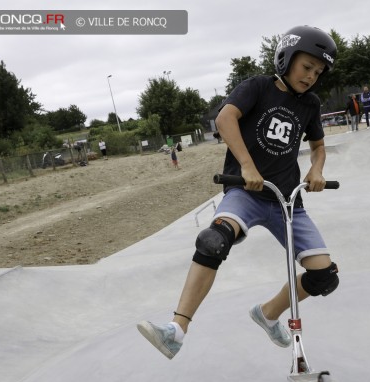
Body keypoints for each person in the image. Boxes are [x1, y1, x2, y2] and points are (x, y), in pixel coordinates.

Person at [137, 25, 340, 359]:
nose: (311, 77)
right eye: (307, 67)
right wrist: (246, 165)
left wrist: (316, 170)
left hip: (286, 200)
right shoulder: (257, 87)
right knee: (213, 241)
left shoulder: (310, 105)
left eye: (318, 73)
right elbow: (225, 118)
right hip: (244, 193)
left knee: (324, 275)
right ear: (286, 59)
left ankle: (269, 313)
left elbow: (318, 146)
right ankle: (176, 330)